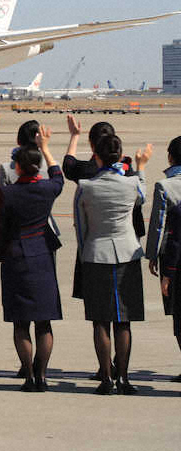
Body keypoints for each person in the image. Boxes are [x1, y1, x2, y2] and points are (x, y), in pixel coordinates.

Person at [74, 134, 151, 395]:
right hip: (127, 253)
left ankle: (106, 378)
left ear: (96, 155)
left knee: (100, 321)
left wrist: (86, 254)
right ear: (119, 157)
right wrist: (140, 168)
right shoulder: (130, 185)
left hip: (97, 253)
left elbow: (81, 227)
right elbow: (143, 195)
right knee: (124, 321)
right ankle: (125, 378)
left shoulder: (85, 186)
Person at [0, 126, 64, 392]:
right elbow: (58, 174)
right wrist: (45, 147)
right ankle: (43, 375)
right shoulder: (47, 190)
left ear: (18, 168)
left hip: (16, 257)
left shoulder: (8, 194)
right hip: (42, 257)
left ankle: (29, 376)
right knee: (44, 323)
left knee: (20, 323)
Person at [147, 135, 181, 380]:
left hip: (173, 258)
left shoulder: (165, 185)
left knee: (177, 313)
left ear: (171, 157)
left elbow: (157, 226)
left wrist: (151, 255)